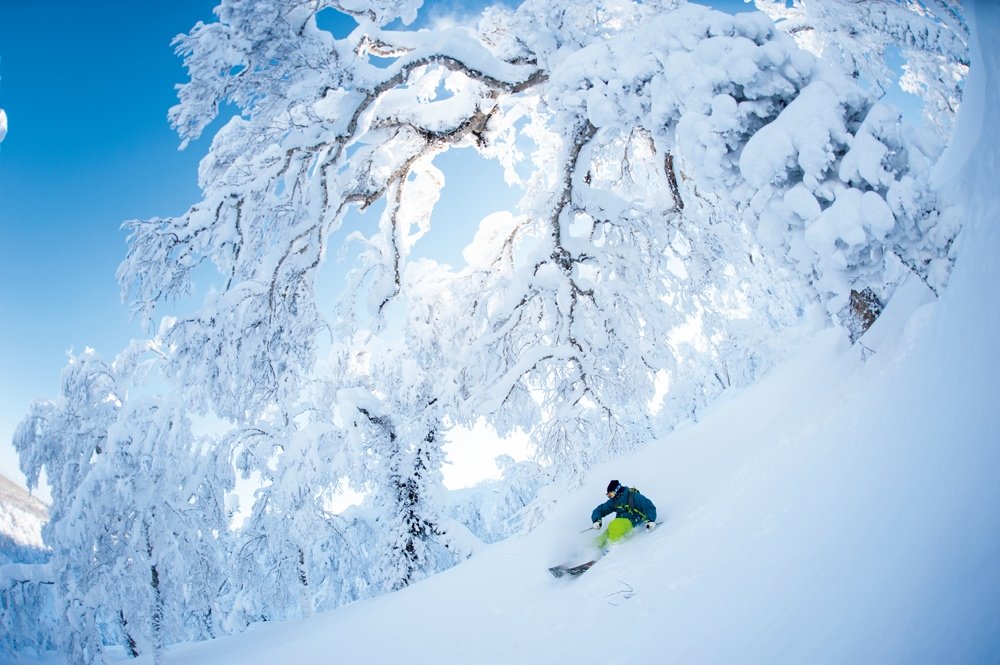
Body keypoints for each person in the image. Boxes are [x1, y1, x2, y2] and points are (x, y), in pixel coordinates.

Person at [591, 479, 657, 547]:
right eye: (609, 495)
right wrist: (597, 520)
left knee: (614, 526)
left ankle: (612, 547)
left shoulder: (633, 496)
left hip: (633, 519)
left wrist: (650, 520)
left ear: (617, 490)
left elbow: (648, 506)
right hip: (620, 522)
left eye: (611, 495)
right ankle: (590, 551)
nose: (610, 497)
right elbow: (600, 509)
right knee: (603, 537)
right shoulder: (614, 501)